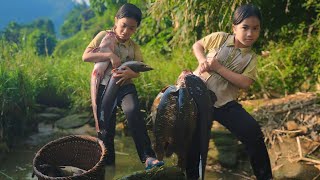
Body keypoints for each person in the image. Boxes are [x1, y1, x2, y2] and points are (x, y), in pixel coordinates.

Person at [190, 4, 273, 180]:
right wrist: (202, 59)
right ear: (234, 28)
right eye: (245, 28)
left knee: (252, 132)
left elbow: (245, 82)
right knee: (197, 143)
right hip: (197, 98)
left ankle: (265, 177)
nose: (250, 33)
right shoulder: (219, 38)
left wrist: (218, 67)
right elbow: (197, 45)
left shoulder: (251, 58)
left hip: (224, 104)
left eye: (255, 29)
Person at [82, 3, 164, 170]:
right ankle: (108, 164)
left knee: (133, 112)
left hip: (125, 86)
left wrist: (130, 74)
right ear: (116, 20)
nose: (126, 31)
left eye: (131, 28)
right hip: (104, 88)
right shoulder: (103, 35)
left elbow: (139, 70)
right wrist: (110, 55)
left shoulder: (134, 47)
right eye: (123, 25)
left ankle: (148, 157)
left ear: (136, 29)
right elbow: (86, 56)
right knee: (106, 128)